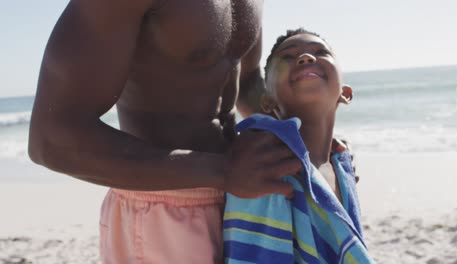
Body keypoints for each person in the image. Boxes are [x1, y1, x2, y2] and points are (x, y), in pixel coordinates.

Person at [28, 1, 302, 263]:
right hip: (162, 207)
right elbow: (51, 139)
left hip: (239, 198)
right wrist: (224, 171)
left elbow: (248, 80)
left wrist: (302, 135)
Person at [223, 28, 373, 263]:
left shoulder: (342, 165)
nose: (306, 58)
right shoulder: (266, 162)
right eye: (288, 57)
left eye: (320, 51)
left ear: (345, 93)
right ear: (266, 101)